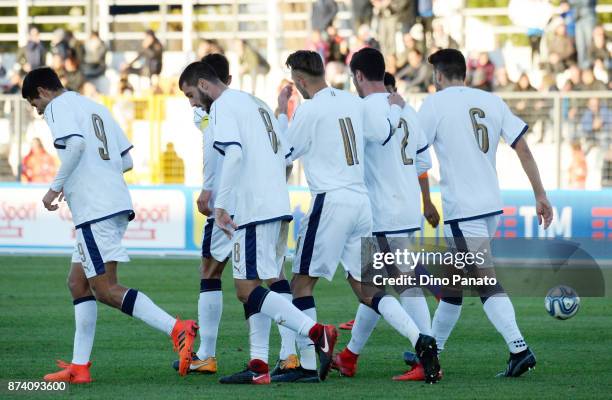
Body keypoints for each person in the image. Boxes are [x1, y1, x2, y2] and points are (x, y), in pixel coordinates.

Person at [21, 67, 198, 383]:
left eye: (37, 105)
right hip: (113, 202)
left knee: (104, 288)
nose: (39, 112)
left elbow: (74, 147)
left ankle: (177, 328)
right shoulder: (94, 106)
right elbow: (126, 160)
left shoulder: (58, 108)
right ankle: (79, 367)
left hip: (95, 208)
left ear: (43, 92)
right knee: (78, 283)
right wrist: (97, 173)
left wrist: (56, 186)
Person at [277, 49, 441, 384]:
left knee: (301, 284)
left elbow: (284, 153)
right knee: (367, 287)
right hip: (361, 204)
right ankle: (420, 339)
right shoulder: (354, 103)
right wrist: (395, 111)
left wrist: (282, 114)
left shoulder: (310, 109)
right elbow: (383, 133)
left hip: (330, 201)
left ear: (300, 80)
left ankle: (308, 363)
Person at [178, 61, 337, 384]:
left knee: (245, 288)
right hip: (278, 203)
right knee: (265, 280)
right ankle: (260, 365)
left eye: (191, 95)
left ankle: (316, 333)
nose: (193, 103)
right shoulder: (256, 103)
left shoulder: (222, 106)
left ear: (205, 86)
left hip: (254, 208)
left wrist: (221, 206)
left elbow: (233, 155)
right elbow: (284, 153)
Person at [417, 49, 553, 377]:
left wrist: (425, 202)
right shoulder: (491, 101)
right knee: (451, 286)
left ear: (438, 75)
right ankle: (431, 351)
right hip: (491, 205)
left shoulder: (434, 104)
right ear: (463, 72)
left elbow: (417, 155)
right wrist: (540, 193)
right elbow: (522, 146)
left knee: (483, 282)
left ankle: (519, 348)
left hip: (463, 210)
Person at [329, 48, 440, 382]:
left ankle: (427, 356)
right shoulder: (406, 107)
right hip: (405, 207)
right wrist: (423, 200)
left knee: (396, 286)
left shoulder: (362, 110)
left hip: (380, 210)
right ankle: (349, 356)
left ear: (359, 76)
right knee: (374, 287)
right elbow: (423, 163)